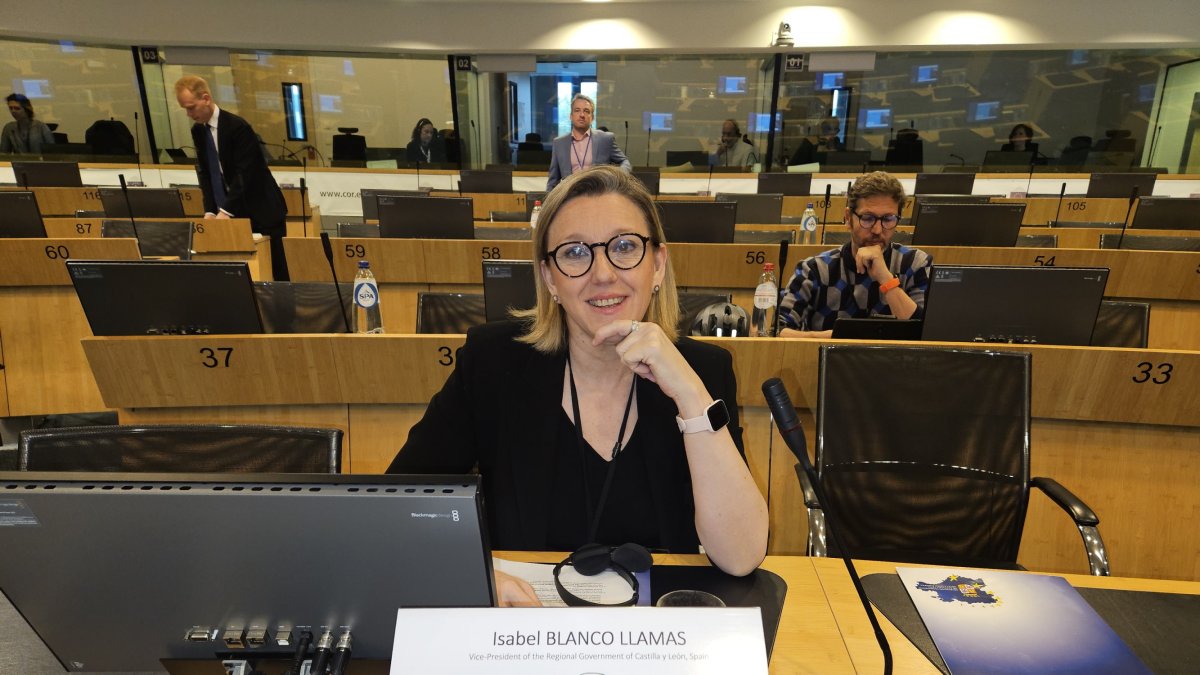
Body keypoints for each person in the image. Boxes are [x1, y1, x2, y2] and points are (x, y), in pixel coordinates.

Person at [389, 165, 768, 606]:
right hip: (528, 627)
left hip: (656, 635)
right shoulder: (493, 362)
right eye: (574, 253)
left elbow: (741, 557)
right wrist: (475, 572)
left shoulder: (703, 370)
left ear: (658, 264)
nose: (603, 273)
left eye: (625, 246)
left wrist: (690, 395)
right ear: (549, 278)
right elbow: (402, 504)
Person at [779, 171, 932, 337]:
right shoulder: (814, 270)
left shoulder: (915, 264)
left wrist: (886, 279)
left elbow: (926, 332)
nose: (877, 230)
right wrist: (841, 338)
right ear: (848, 218)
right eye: (867, 218)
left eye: (888, 219)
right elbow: (778, 331)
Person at [175, 76, 290, 281]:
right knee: (240, 274)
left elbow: (246, 173)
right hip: (232, 210)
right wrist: (210, 210)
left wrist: (226, 211)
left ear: (206, 99)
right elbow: (206, 173)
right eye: (185, 109)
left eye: (191, 107)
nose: (189, 114)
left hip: (262, 211)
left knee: (276, 274)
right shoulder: (198, 131)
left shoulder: (237, 127)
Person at [546, 94, 631, 190]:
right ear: (571, 116)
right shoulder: (559, 143)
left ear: (592, 117)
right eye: (577, 110)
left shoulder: (605, 139)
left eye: (586, 111)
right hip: (570, 199)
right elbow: (552, 182)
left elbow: (624, 161)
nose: (582, 115)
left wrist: (617, 177)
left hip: (598, 197)